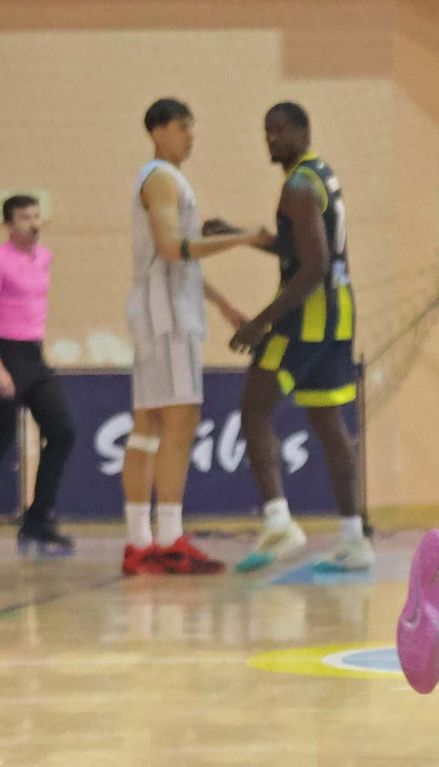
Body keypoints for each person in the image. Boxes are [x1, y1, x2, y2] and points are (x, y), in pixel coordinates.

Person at [124, 98, 265, 576]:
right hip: (166, 319)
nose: (191, 136)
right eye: (184, 127)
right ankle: (167, 538)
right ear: (160, 130)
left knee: (148, 427)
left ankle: (140, 540)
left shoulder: (163, 178)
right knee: (180, 422)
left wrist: (221, 302)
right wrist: (242, 238)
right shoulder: (162, 177)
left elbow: (172, 260)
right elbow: (173, 248)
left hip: (155, 311)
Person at [229, 103, 371, 574]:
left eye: (281, 130)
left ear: (304, 131)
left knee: (254, 409)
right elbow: (306, 246)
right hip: (339, 316)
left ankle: (278, 521)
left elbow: (312, 265)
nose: (272, 138)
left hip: (306, 321)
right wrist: (242, 236)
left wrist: (260, 321)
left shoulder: (297, 187)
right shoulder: (320, 176)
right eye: (267, 130)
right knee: (330, 423)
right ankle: (354, 538)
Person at [0, 195, 76, 556]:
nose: (32, 222)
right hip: (5, 353)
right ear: (9, 225)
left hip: (33, 355)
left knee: (62, 431)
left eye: (36, 215)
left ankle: (38, 519)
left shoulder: (44, 257)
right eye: (24, 217)